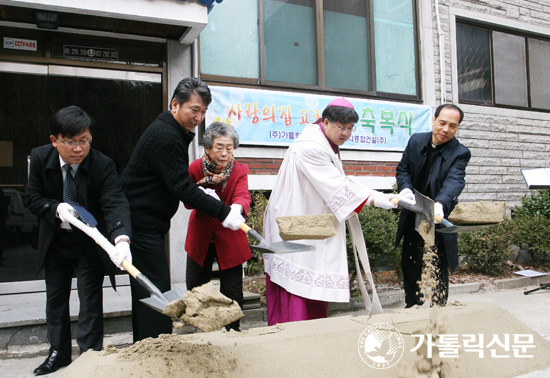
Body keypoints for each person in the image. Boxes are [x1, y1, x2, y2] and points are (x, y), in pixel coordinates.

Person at [121, 77, 245, 342]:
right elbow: (182, 188)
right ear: (175, 104)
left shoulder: (172, 131)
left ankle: (148, 345)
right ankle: (155, 348)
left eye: (203, 112)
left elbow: (178, 184)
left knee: (150, 289)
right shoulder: (166, 136)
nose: (198, 117)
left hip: (148, 223)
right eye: (194, 110)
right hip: (141, 223)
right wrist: (223, 212)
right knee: (155, 290)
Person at [263, 98, 403, 326]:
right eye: (341, 127)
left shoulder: (323, 142)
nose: (346, 133)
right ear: (325, 121)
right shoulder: (311, 147)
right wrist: (379, 199)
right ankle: (295, 334)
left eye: (350, 128)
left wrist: (386, 195)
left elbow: (340, 181)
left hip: (306, 220)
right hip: (297, 224)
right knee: (298, 282)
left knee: (309, 279)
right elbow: (338, 187)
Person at [25, 106, 132, 375]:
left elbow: (114, 202)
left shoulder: (102, 163)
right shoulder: (39, 158)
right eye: (71, 142)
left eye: (84, 140)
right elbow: (32, 198)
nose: (78, 149)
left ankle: (89, 356)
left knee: (90, 299)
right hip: (56, 241)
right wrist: (55, 208)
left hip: (89, 242)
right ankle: (58, 353)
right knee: (56, 299)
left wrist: (121, 239)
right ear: (55, 140)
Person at [395, 103, 471, 308]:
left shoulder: (460, 153)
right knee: (410, 264)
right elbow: (403, 169)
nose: (446, 129)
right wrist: (406, 189)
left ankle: (439, 310)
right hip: (413, 214)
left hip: (438, 218)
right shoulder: (416, 141)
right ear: (434, 120)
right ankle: (413, 307)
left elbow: (455, 180)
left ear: (457, 128)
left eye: (453, 126)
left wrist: (441, 203)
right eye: (442, 123)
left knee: (438, 265)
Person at [185, 122, 251, 331]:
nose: (224, 153)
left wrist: (237, 208)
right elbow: (187, 201)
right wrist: (199, 195)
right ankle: (203, 329)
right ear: (207, 148)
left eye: (229, 148)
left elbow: (243, 194)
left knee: (232, 289)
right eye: (219, 147)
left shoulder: (240, 170)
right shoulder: (195, 168)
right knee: (196, 286)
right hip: (200, 236)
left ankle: (233, 331)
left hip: (230, 235)